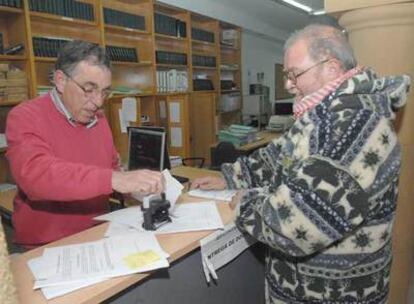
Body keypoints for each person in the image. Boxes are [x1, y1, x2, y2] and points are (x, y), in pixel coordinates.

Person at [192, 24, 410, 303]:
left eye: (295, 74)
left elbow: (295, 225)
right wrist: (233, 176)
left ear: (331, 68)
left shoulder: (355, 125)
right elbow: (279, 156)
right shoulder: (325, 114)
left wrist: (246, 201)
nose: (287, 84)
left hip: (336, 294)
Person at [6, 40, 164, 248]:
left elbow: (111, 170)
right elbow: (36, 176)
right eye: (89, 89)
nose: (98, 102)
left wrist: (135, 187)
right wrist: (115, 180)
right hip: (45, 244)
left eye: (105, 91)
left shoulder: (98, 118)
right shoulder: (25, 116)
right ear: (61, 80)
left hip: (98, 234)